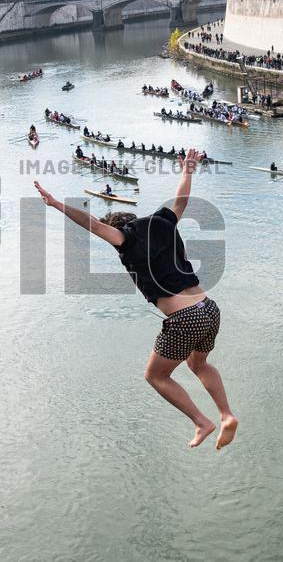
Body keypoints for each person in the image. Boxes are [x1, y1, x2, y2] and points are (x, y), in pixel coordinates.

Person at [34, 149, 237, 451]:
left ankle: (201, 421)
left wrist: (56, 204)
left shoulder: (125, 238)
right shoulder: (163, 221)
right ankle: (226, 414)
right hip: (209, 307)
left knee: (155, 376)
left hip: (185, 318)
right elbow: (181, 199)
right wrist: (188, 170)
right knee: (199, 364)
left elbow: (92, 224)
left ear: (119, 229)